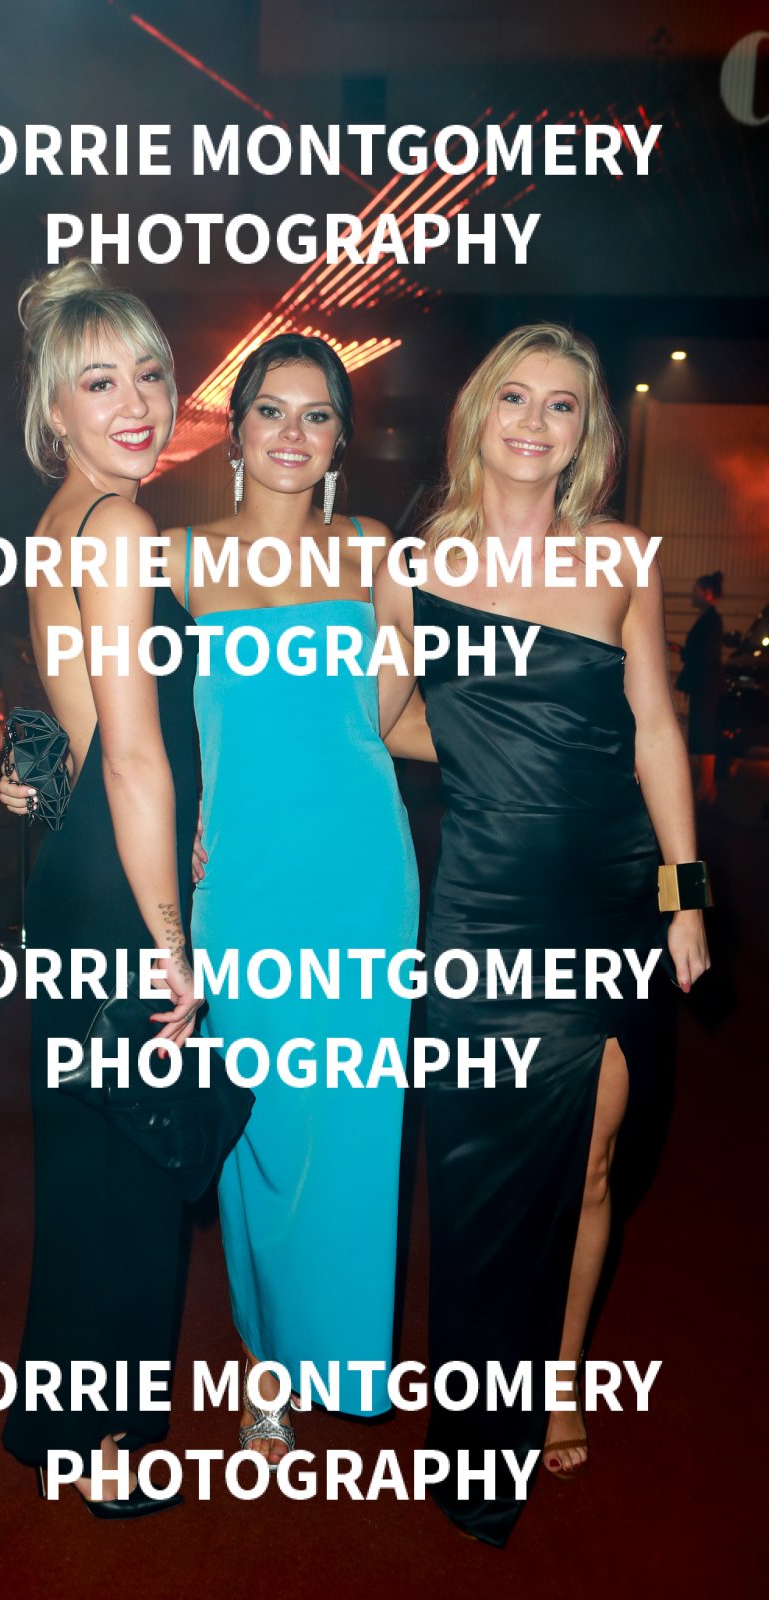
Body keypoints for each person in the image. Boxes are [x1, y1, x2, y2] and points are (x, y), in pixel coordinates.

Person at [385, 324, 710, 1545]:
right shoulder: (414, 568)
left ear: (588, 433)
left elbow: (656, 729)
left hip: (612, 892)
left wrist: (685, 894)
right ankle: (478, 1407)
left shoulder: (623, 555)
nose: (534, 421)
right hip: (482, 905)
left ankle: (562, 1373)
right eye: (514, 397)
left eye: (561, 404)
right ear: (479, 415)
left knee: (591, 1158)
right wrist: (494, 756)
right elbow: (376, 724)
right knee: (475, 1182)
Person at [175, 333, 420, 1462]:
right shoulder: (177, 560)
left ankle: (340, 1352)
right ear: (235, 430)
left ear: (339, 440)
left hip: (363, 876)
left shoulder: (373, 552)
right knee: (263, 1125)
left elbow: (385, 715)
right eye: (270, 410)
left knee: (355, 1125)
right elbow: (133, 726)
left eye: (316, 415)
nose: (291, 432)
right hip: (243, 882)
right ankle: (265, 1357)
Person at [0, 260, 199, 1517]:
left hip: (82, 876)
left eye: (150, 375)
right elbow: (129, 755)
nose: (137, 404)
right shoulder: (120, 529)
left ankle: (67, 1426)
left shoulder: (62, 521)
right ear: (54, 407)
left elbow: (76, 743)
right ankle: (112, 1445)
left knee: (88, 1162)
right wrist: (172, 938)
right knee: (131, 1172)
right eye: (100, 382)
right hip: (118, 896)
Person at [677, 570, 725, 803]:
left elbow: (705, 655)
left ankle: (707, 785)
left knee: (704, 732)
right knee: (701, 731)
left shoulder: (711, 620)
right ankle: (707, 784)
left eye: (695, 591)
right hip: (704, 684)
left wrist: (685, 652)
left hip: (705, 685)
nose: (692, 595)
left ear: (707, 593)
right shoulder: (708, 619)